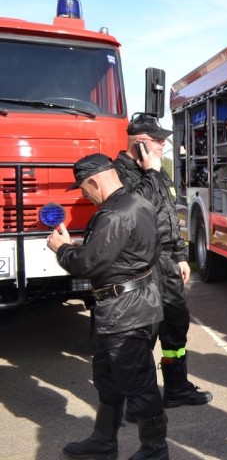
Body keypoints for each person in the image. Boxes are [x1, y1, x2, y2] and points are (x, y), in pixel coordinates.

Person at [47, 153, 168, 459]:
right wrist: (82, 248)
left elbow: (87, 264)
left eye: (83, 188)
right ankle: (103, 440)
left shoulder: (114, 213)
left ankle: (155, 450)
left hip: (125, 310)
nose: (83, 195)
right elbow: (121, 253)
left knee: (138, 384)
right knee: (108, 377)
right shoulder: (136, 202)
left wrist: (62, 250)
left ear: (94, 180)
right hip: (127, 306)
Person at [113, 113, 212, 417]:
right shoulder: (120, 173)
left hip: (168, 262)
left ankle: (176, 387)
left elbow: (170, 215)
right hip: (142, 266)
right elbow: (136, 212)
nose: (164, 144)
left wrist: (182, 257)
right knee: (144, 333)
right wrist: (150, 173)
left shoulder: (157, 171)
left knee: (175, 326)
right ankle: (138, 400)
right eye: (158, 140)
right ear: (140, 144)